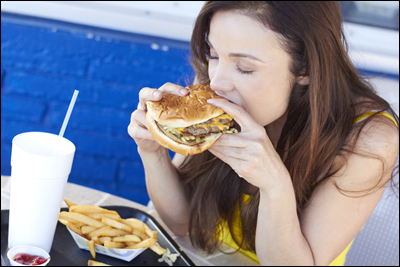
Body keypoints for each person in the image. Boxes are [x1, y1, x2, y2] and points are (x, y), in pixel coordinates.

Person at [128, 1, 399, 265]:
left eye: (244, 67)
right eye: (213, 54)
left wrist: (274, 185)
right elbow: (181, 223)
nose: (217, 82)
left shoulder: (370, 137)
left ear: (305, 67)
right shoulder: (220, 86)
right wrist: (152, 150)